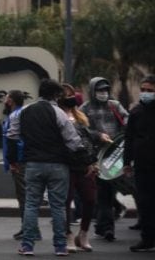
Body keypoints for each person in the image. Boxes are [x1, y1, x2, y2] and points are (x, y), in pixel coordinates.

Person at [7, 79, 93, 257]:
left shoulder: (24, 112)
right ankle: (60, 246)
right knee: (58, 206)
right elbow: (73, 141)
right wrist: (85, 161)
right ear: (55, 95)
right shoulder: (59, 113)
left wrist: (14, 160)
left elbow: (12, 136)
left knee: (31, 204)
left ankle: (28, 245)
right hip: (58, 165)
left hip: (33, 164)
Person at [80, 77, 128, 242]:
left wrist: (121, 138)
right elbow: (80, 129)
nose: (103, 93)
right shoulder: (85, 108)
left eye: (106, 90)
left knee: (106, 193)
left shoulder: (114, 105)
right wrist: (98, 135)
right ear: (93, 91)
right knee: (102, 193)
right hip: (96, 156)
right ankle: (105, 226)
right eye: (100, 90)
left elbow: (127, 120)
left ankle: (105, 227)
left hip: (115, 155)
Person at [58, 83, 104, 252]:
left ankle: (83, 234)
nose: (70, 97)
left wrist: (93, 161)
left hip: (85, 165)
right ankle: (68, 235)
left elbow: (87, 140)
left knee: (90, 199)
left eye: (71, 94)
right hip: (66, 165)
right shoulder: (57, 115)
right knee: (65, 202)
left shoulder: (80, 116)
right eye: (66, 94)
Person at [123, 74, 155, 252]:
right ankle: (147, 239)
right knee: (144, 203)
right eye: (143, 90)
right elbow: (128, 139)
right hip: (142, 166)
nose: (145, 93)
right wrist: (126, 162)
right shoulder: (136, 112)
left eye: (149, 91)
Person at [2, 90, 29, 240]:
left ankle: (28, 228)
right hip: (19, 160)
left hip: (19, 162)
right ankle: (28, 226)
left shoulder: (15, 115)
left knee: (23, 195)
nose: (5, 100)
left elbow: (14, 140)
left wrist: (13, 161)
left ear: (11, 100)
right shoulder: (16, 114)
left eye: (7, 97)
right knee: (23, 194)